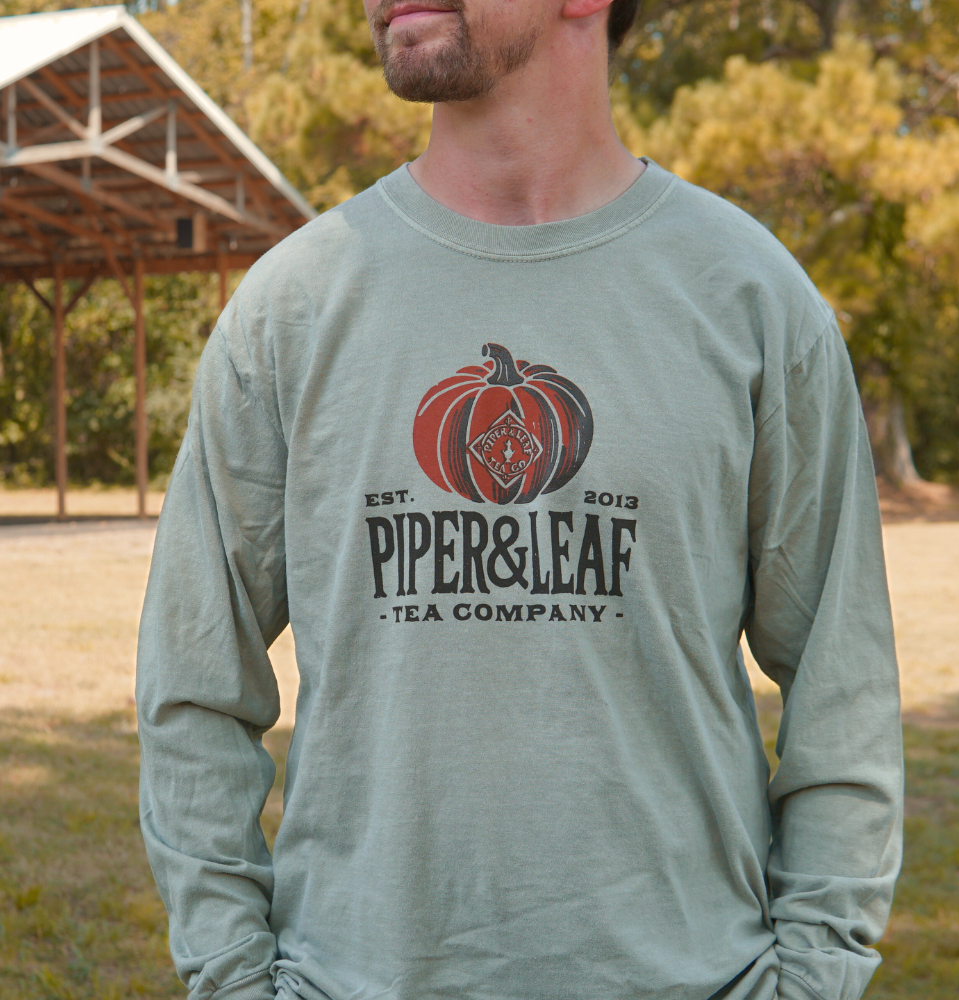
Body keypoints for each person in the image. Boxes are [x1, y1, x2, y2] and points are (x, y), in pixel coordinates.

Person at [136, 1, 904, 998]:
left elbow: (842, 685)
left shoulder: (749, 298)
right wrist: (234, 977)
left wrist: (813, 975)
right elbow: (194, 682)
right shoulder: (295, 307)